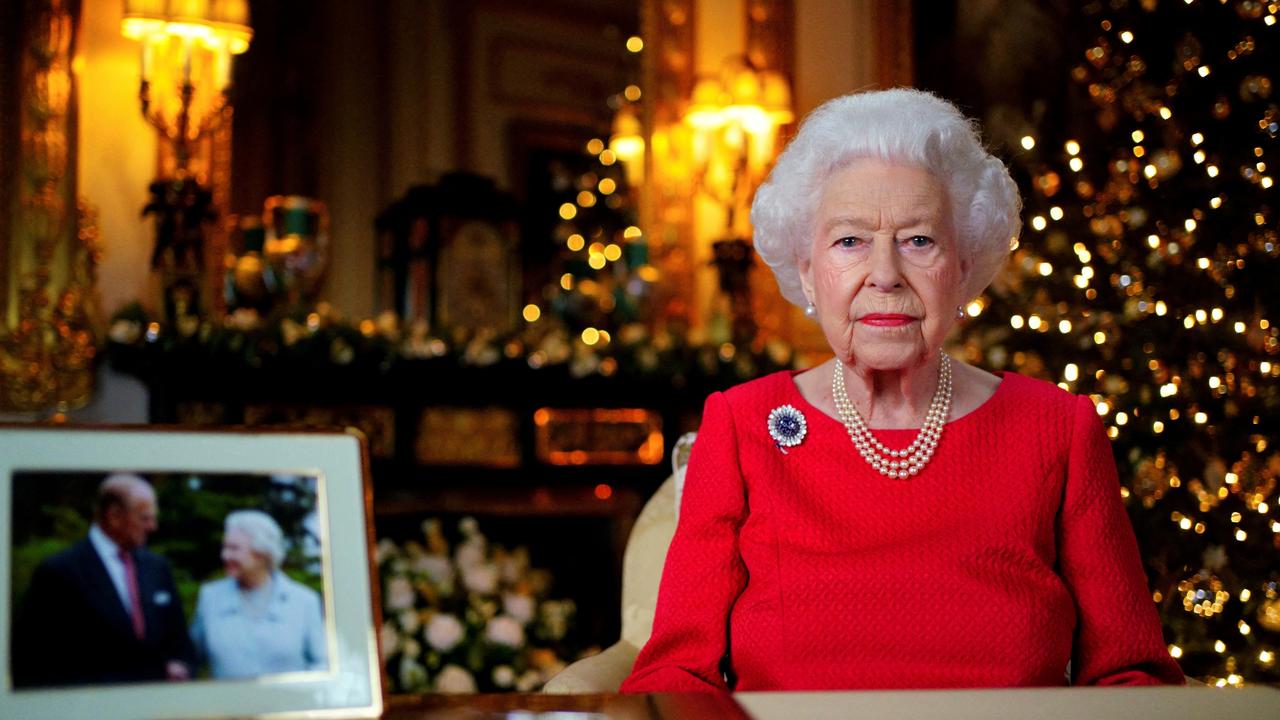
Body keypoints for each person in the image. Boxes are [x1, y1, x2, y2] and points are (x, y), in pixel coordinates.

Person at [621, 89, 1184, 693]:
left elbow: (1130, 673)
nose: (885, 274)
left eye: (919, 240)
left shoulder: (1055, 427)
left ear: (964, 266)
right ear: (808, 270)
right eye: (849, 241)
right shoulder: (743, 424)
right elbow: (675, 676)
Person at [13, 474, 194, 687]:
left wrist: (181, 665)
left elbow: (180, 641)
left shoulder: (157, 567)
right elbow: (33, 662)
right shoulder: (59, 572)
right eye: (145, 518)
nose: (153, 526)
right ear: (115, 516)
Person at [191, 509, 327, 678]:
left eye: (234, 548)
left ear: (261, 555)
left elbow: (322, 663)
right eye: (225, 547)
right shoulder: (210, 597)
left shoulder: (304, 601)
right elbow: (190, 658)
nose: (225, 555)